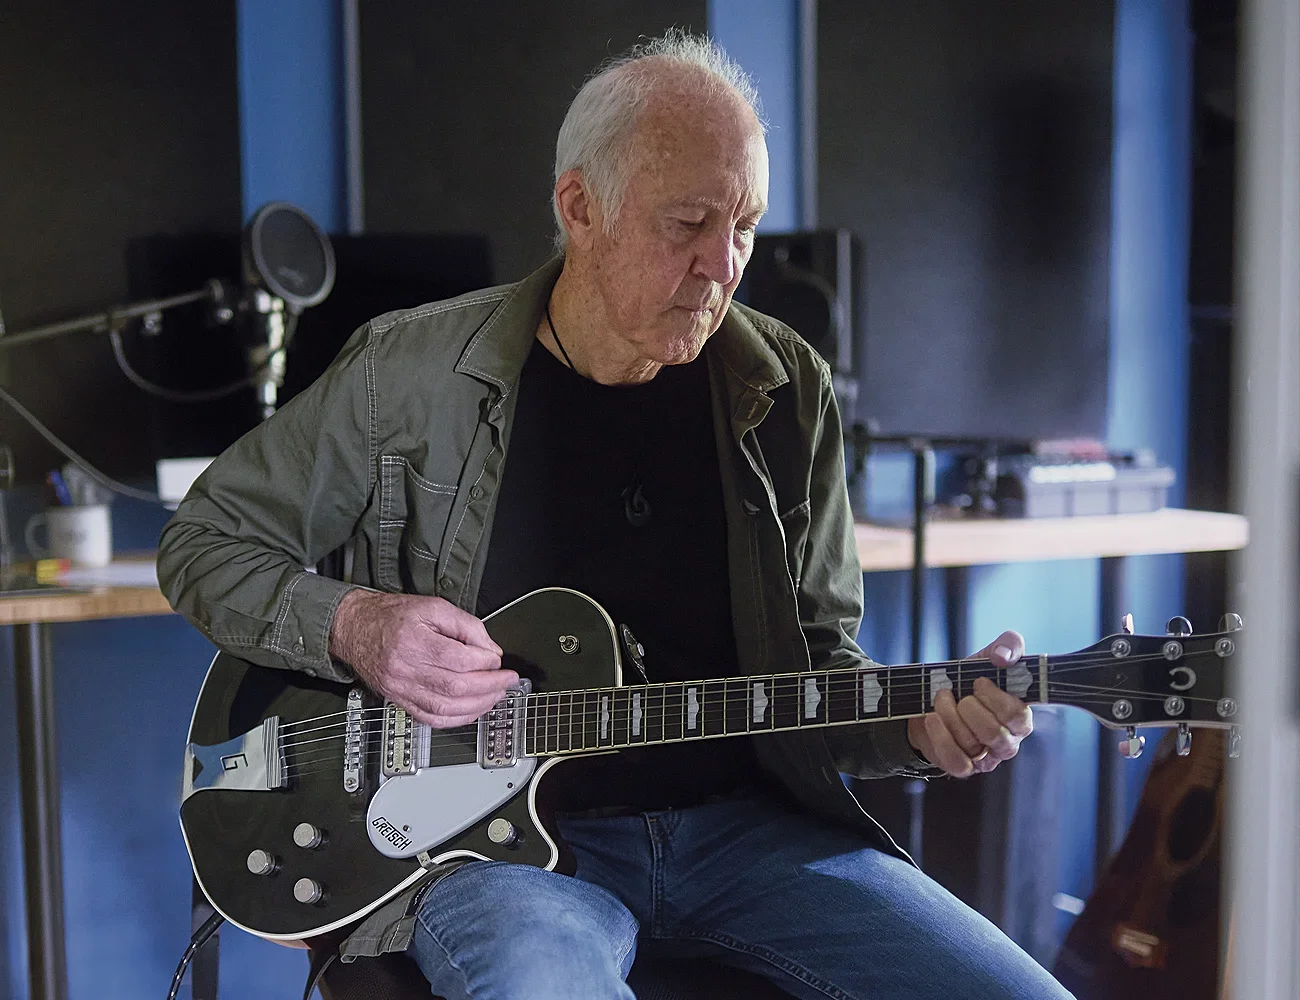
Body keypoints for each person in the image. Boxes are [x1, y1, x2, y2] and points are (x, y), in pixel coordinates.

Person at [158, 30, 1074, 1000]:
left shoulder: (784, 385)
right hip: (501, 860)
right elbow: (201, 542)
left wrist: (918, 732)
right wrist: (356, 624)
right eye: (688, 223)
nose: (722, 265)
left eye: (746, 226)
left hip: (748, 835)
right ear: (579, 206)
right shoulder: (405, 373)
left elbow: (820, 670)